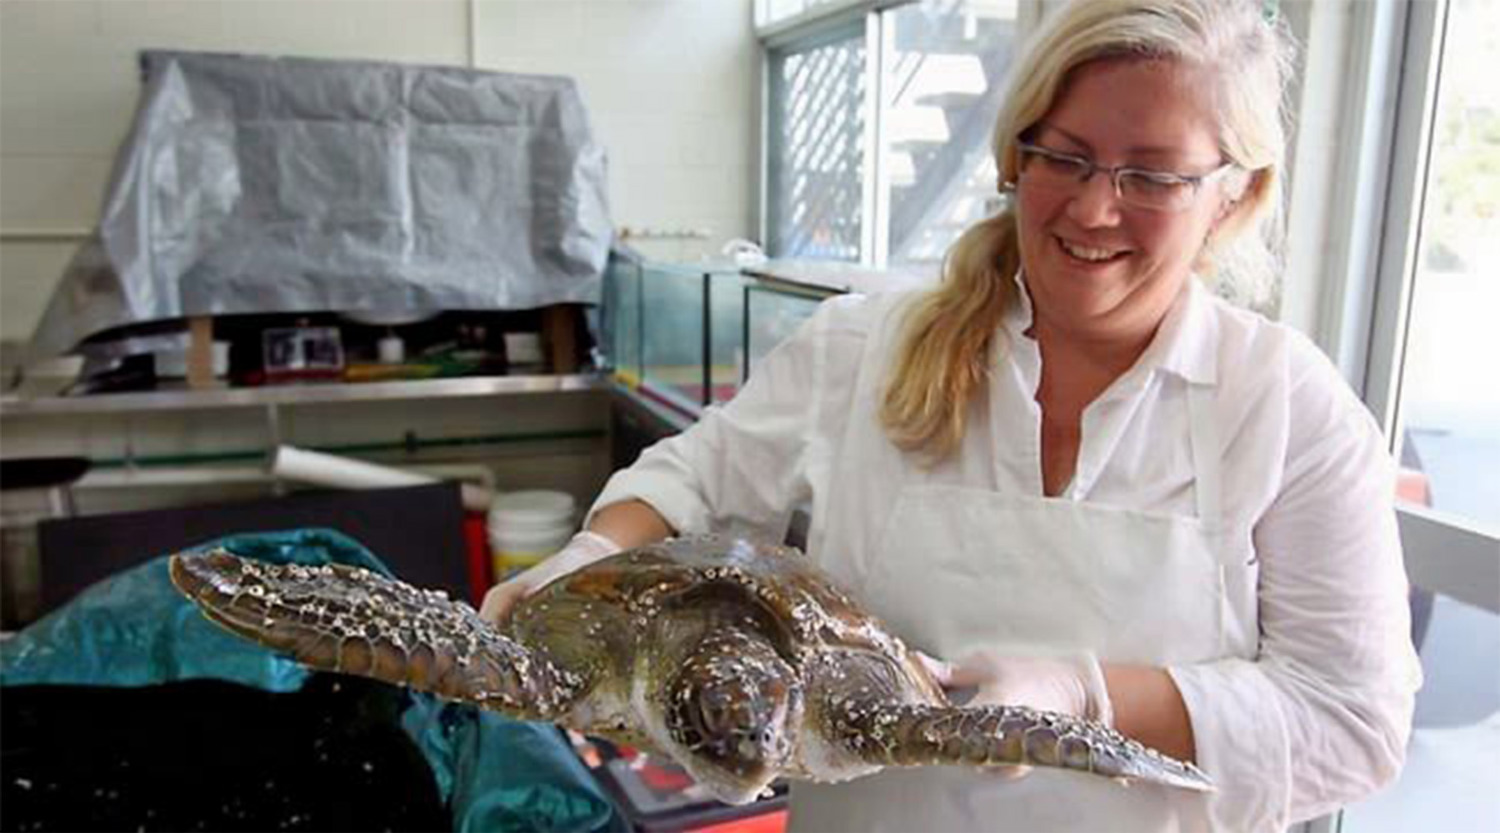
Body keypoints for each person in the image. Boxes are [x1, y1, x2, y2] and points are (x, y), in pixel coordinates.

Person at [482, 0, 1422, 829]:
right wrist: (593, 558)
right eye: (1067, 156)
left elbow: (1353, 722)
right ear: (1016, 155)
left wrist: (1086, 694)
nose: (1096, 208)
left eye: (1152, 175)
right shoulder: (865, 347)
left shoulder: (1288, 406)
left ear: (1234, 195)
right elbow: (694, 479)